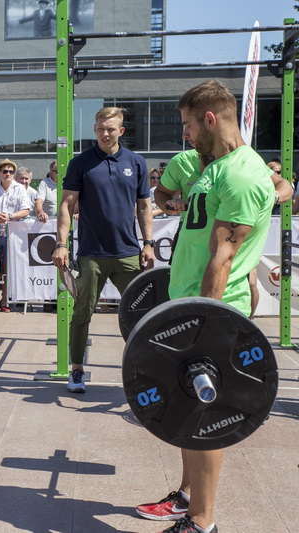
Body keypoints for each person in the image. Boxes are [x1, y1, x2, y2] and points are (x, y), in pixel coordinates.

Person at [136, 80, 275, 533]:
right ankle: (187, 496)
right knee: (186, 403)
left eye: (189, 125)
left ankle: (201, 523)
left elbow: (223, 257)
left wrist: (202, 321)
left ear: (210, 119)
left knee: (205, 415)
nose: (186, 134)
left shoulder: (241, 175)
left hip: (214, 314)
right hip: (189, 306)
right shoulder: (217, 167)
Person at [52, 107, 154, 393]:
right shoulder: (81, 163)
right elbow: (66, 204)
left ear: (121, 131)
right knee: (82, 314)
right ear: (95, 129)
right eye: (99, 128)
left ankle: (146, 369)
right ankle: (76, 371)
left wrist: (148, 243)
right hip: (91, 254)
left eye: (110, 129)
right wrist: (60, 244)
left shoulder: (136, 162)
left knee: (141, 315)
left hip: (128, 253)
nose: (104, 133)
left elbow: (144, 206)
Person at [156, 151, 291, 319]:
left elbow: (285, 186)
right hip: (192, 232)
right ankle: (188, 318)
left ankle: (247, 323)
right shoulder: (182, 161)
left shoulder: (241, 159)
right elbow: (161, 193)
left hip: (231, 229)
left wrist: (271, 197)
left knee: (250, 282)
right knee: (187, 282)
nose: (186, 137)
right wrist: (170, 205)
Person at [0, 158, 31, 312]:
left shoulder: (19, 188)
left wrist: (10, 216)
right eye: (5, 171)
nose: (8, 174)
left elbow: (26, 210)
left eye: (11, 171)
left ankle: (4, 300)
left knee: (9, 268)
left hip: (13, 235)